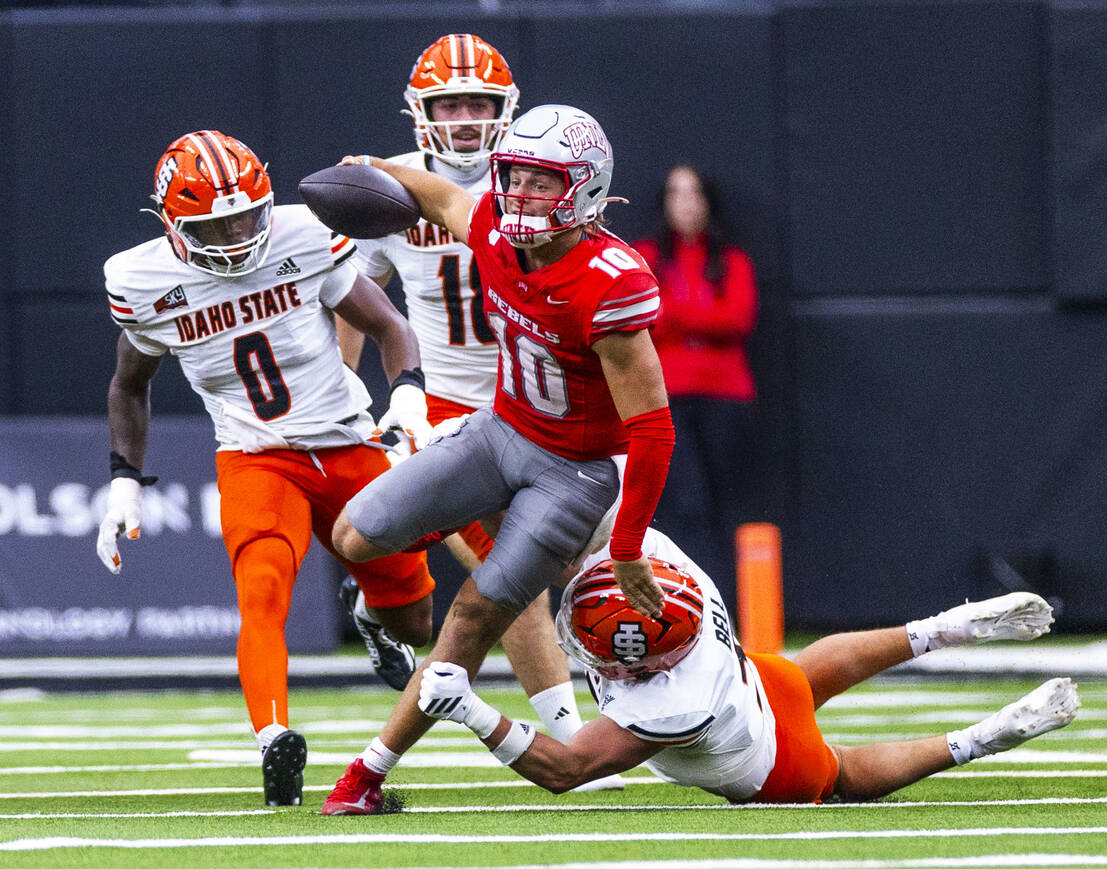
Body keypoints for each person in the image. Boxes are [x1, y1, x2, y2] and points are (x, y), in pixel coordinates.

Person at [320, 103, 675, 814]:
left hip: (571, 471)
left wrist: (630, 544)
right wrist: (377, 170)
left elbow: (653, 430)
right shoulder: (494, 229)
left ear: (586, 190)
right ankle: (404, 568)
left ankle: (368, 773)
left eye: (542, 182)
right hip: (499, 432)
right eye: (513, 176)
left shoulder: (610, 280)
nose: (519, 194)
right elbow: (444, 195)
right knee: (353, 532)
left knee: (477, 612)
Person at [97, 130, 437, 806]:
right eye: (213, 224)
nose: (234, 234)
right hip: (256, 456)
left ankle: (370, 614)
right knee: (261, 588)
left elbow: (390, 327)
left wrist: (408, 396)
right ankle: (272, 735)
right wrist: (123, 480)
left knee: (416, 622)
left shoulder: (304, 234)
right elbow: (128, 384)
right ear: (170, 224)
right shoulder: (143, 280)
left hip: (346, 441)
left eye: (247, 215)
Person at [410, 527, 1080, 804]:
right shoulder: (676, 576)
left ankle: (981, 737)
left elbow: (566, 769)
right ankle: (942, 628)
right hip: (760, 679)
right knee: (803, 675)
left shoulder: (663, 706)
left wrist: (471, 709)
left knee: (842, 772)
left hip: (771, 763)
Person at [632, 165, 758, 602]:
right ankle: (689, 602)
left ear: (708, 202)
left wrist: (675, 315)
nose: (685, 204)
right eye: (676, 194)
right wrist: (702, 322)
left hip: (727, 397)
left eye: (694, 194)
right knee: (685, 505)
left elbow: (739, 319)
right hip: (665, 398)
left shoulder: (732, 259)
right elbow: (641, 320)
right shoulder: (644, 256)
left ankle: (735, 607)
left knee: (727, 505)